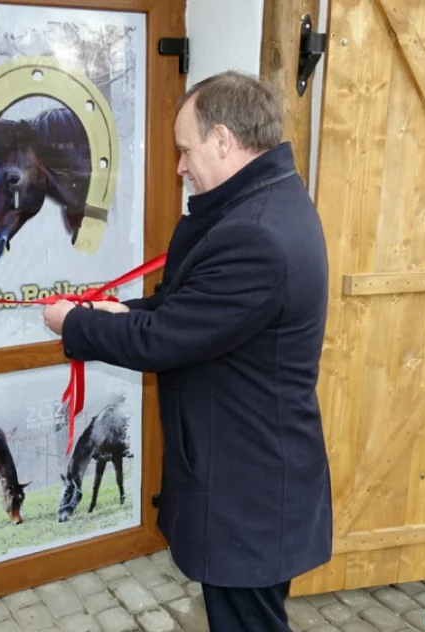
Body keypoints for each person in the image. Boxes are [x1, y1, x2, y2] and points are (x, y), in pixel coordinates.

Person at [43, 71, 332, 631]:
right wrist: (119, 312)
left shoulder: (258, 234)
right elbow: (191, 308)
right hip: (248, 477)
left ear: (223, 140)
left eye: (185, 150)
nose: (179, 166)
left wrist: (73, 324)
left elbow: (166, 340)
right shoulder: (261, 204)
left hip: (246, 491)